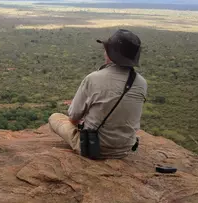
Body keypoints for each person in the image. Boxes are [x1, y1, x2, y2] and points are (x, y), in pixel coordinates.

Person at [49, 29, 147, 159]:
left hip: (93, 148)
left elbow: (73, 117)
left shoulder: (93, 78)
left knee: (55, 117)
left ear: (111, 54)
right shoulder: (141, 82)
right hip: (125, 149)